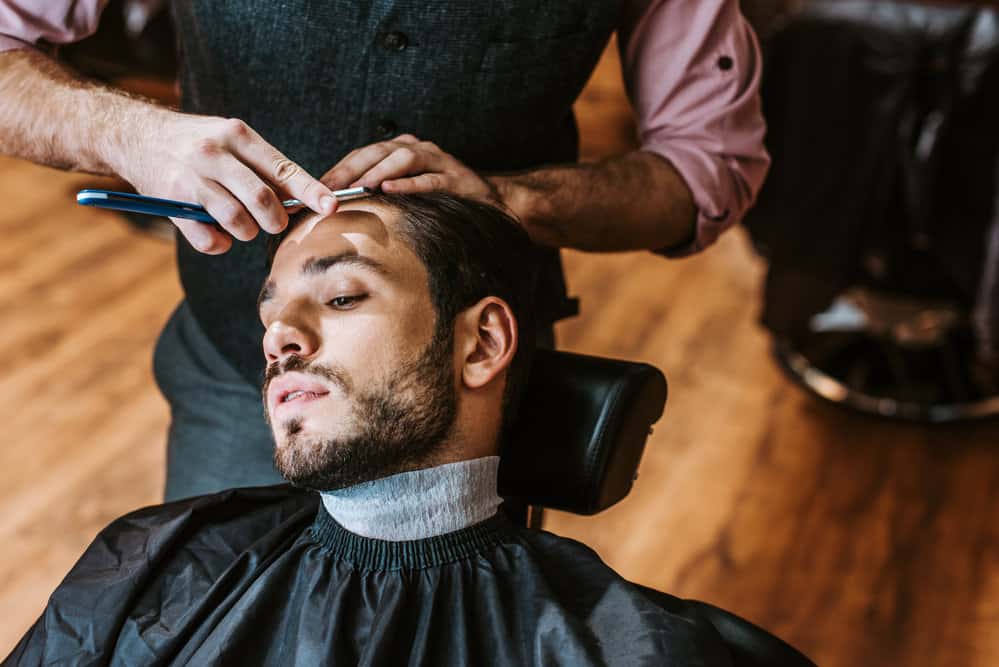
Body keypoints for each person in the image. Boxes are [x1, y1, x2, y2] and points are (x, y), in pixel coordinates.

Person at [0, 1, 770, 500]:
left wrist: (515, 199)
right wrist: (125, 133)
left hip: (473, 405)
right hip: (237, 377)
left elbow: (709, 166)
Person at [5, 194, 730, 666]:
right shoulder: (153, 564)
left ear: (479, 343)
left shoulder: (624, 647)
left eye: (342, 295)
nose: (279, 335)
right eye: (270, 312)